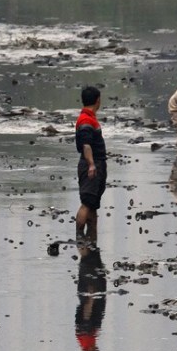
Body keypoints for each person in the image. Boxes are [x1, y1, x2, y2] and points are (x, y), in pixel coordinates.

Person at [75, 85, 107, 241]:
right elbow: (86, 145)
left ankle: (92, 239)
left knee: (93, 203)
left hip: (96, 163)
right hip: (91, 165)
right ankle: (80, 239)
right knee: (87, 202)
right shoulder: (86, 120)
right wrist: (92, 164)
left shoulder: (89, 117)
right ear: (97, 101)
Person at [75, 244, 106, 351]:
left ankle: (82, 236)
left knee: (88, 257)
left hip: (91, 290)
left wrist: (91, 297)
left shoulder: (86, 337)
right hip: (91, 291)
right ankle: (84, 238)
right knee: (90, 255)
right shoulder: (85, 339)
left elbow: (87, 315)